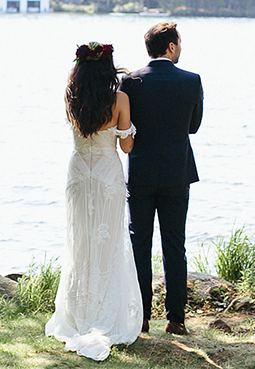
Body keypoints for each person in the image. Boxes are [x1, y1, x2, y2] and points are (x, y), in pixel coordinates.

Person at [45, 42, 144, 360]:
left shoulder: (71, 97)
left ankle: (78, 314)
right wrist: (123, 131)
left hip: (78, 173)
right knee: (108, 243)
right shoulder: (119, 99)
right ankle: (105, 314)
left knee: (81, 242)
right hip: (106, 174)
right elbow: (126, 147)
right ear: (108, 69)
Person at [121, 22, 204, 336]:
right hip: (176, 173)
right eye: (178, 44)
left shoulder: (131, 82)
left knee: (139, 245)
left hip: (140, 174)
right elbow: (193, 127)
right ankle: (176, 319)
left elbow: (125, 123)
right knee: (175, 246)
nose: (180, 49)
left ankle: (141, 318)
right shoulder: (192, 81)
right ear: (170, 46)